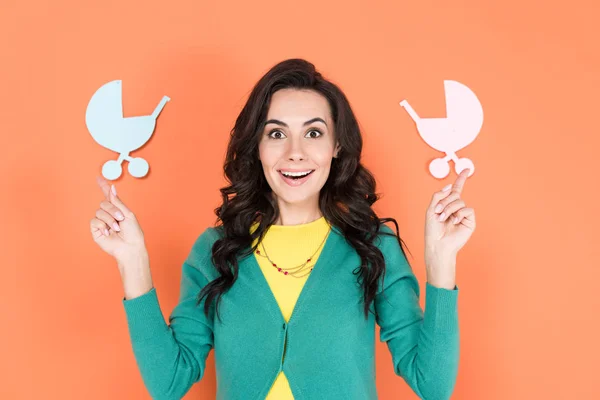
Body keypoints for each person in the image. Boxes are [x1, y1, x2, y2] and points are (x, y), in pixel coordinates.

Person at [90, 58, 476, 400]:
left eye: (313, 133)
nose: (295, 152)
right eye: (276, 133)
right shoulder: (215, 251)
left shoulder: (373, 247)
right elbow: (168, 382)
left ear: (336, 146)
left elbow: (432, 384)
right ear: (256, 146)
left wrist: (441, 260)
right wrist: (132, 261)